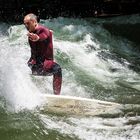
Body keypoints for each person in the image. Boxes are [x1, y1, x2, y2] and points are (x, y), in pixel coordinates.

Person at [23, 13, 62, 95]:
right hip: (35, 65)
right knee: (19, 70)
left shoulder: (43, 30)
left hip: (43, 65)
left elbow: (43, 36)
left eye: (28, 23)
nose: (26, 26)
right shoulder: (31, 33)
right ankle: (23, 92)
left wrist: (37, 38)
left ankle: (57, 96)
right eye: (25, 24)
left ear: (34, 22)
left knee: (57, 69)